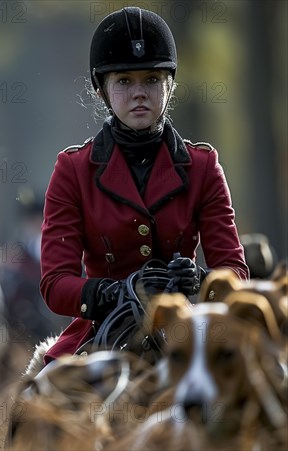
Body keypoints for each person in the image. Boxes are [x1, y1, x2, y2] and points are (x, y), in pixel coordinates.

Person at [39, 7, 249, 364]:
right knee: (32, 406)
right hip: (102, 331)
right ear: (101, 89)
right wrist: (110, 292)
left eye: (151, 79)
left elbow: (235, 272)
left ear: (170, 84)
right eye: (124, 81)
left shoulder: (203, 166)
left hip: (188, 331)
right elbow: (55, 283)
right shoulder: (73, 169)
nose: (139, 93)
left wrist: (201, 280)